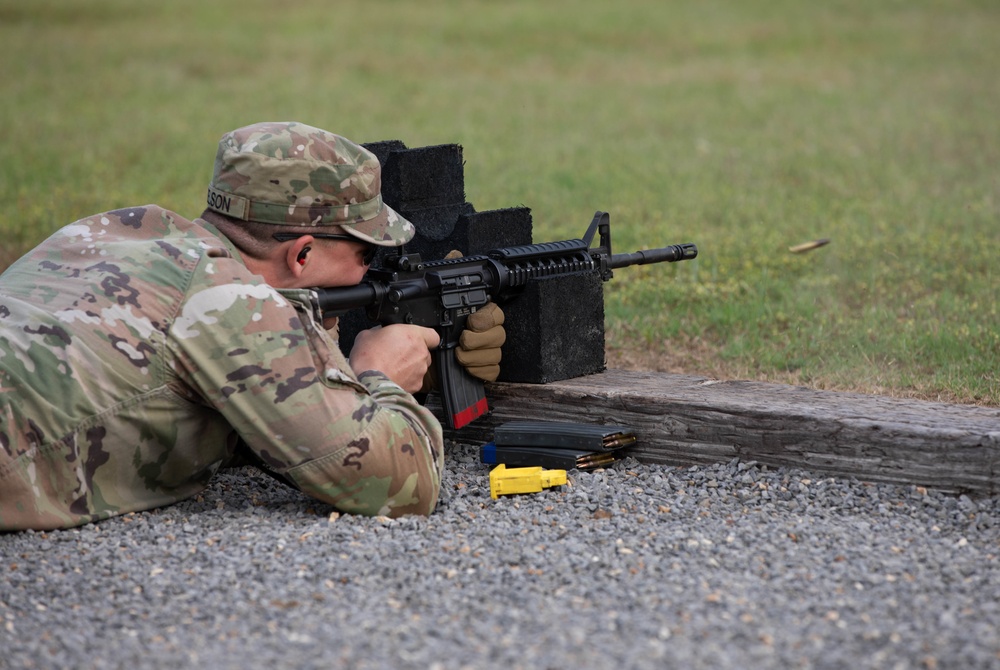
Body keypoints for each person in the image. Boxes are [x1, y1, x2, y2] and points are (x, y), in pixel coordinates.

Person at [0, 121, 505, 531]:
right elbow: (399, 485)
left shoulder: (112, 231)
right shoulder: (232, 304)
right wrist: (381, 377)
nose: (372, 270)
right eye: (367, 253)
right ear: (303, 254)